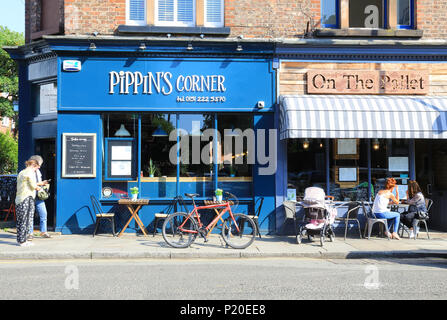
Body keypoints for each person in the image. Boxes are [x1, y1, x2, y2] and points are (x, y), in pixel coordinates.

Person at [15, 159, 43, 246]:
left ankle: (22, 240)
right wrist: (42, 189)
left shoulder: (22, 172)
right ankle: (22, 241)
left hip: (20, 198)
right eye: (37, 168)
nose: (37, 170)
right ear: (34, 165)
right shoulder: (29, 172)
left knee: (22, 220)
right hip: (26, 198)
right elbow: (33, 185)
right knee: (26, 220)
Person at [28, 155, 52, 239]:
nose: (39, 167)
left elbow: (37, 182)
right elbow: (30, 183)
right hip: (30, 195)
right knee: (30, 215)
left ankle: (43, 232)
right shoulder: (28, 172)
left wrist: (43, 183)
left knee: (43, 213)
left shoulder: (38, 171)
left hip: (38, 195)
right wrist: (40, 184)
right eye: (39, 164)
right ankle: (30, 233)